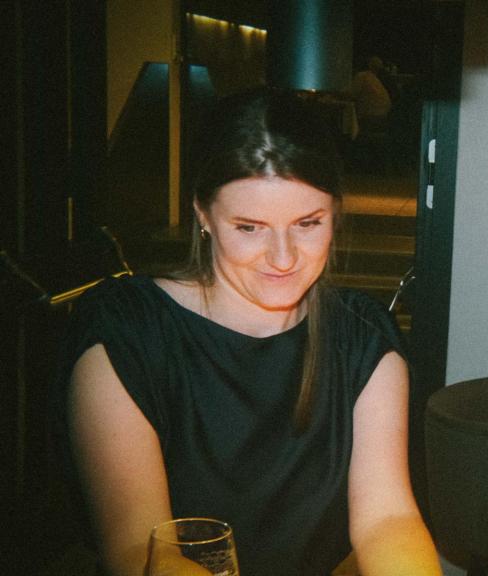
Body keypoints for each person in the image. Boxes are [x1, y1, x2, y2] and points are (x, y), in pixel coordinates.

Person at [58, 88, 441, 576]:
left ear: (335, 213)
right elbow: (140, 549)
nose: (283, 258)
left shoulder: (362, 337)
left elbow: (387, 521)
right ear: (203, 215)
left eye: (308, 223)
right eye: (249, 227)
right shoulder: (127, 331)